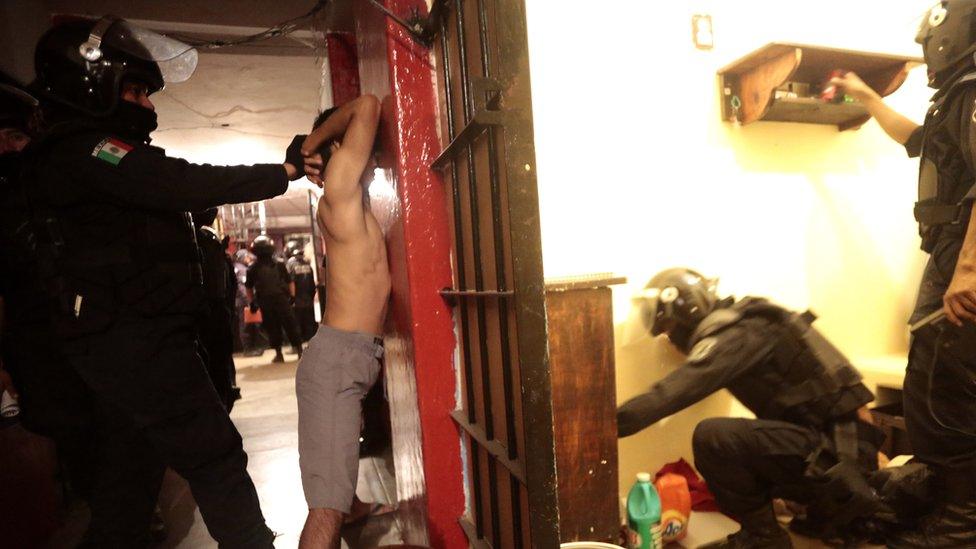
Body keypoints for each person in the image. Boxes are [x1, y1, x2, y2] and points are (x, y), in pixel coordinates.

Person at [10, 17, 313, 547]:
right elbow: (177, 183)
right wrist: (284, 172)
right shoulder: (87, 150)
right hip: (135, 339)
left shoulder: (78, 154)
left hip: (129, 337)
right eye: (134, 90)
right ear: (91, 84)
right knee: (213, 453)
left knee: (130, 479)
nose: (147, 106)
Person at [830, 2, 976, 545]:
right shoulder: (957, 98)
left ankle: (960, 529)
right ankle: (948, 514)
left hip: (962, 260)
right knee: (935, 392)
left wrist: (967, 268)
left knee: (947, 400)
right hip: (950, 255)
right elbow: (920, 142)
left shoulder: (972, 90)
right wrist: (868, 99)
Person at [618, 268, 883, 549]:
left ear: (687, 313)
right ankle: (818, 510)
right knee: (741, 443)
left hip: (840, 462)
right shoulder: (753, 322)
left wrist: (602, 425)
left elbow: (668, 394)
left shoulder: (735, 337)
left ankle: (764, 537)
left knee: (714, 437)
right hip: (841, 453)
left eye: (669, 328)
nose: (670, 340)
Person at [295, 95, 390, 548]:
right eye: (363, 148)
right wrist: (312, 143)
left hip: (350, 358)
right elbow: (368, 105)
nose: (373, 156)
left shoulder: (354, 202)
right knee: (324, 512)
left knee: (338, 490)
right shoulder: (339, 188)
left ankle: (354, 506)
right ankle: (341, 508)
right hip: (337, 363)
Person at [193, 208, 238, 411]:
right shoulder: (212, 243)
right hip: (216, 313)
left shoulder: (200, 241)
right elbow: (231, 286)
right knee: (219, 365)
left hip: (204, 315)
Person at [246, 234, 304, 362]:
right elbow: (290, 281)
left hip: (270, 300)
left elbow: (248, 288)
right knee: (283, 325)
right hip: (277, 299)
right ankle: (293, 351)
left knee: (278, 326)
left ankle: (286, 352)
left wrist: (252, 303)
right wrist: (292, 296)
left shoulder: (255, 268)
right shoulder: (276, 264)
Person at [286, 240, 318, 341]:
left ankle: (298, 346)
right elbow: (312, 285)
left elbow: (290, 282)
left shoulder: (290, 264)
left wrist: (292, 298)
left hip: (297, 300)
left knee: (296, 324)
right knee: (309, 323)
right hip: (308, 299)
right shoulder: (307, 264)